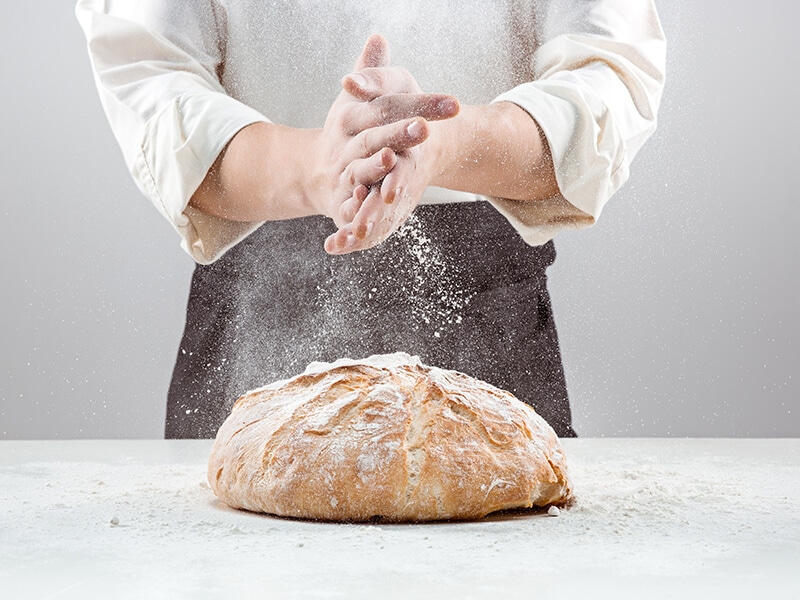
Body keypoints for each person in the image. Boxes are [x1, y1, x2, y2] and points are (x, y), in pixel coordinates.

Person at [76, 0, 666, 439]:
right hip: (253, 295)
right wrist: (318, 167)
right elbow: (152, 76)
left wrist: (444, 144)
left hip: (490, 299)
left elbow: (608, 73)